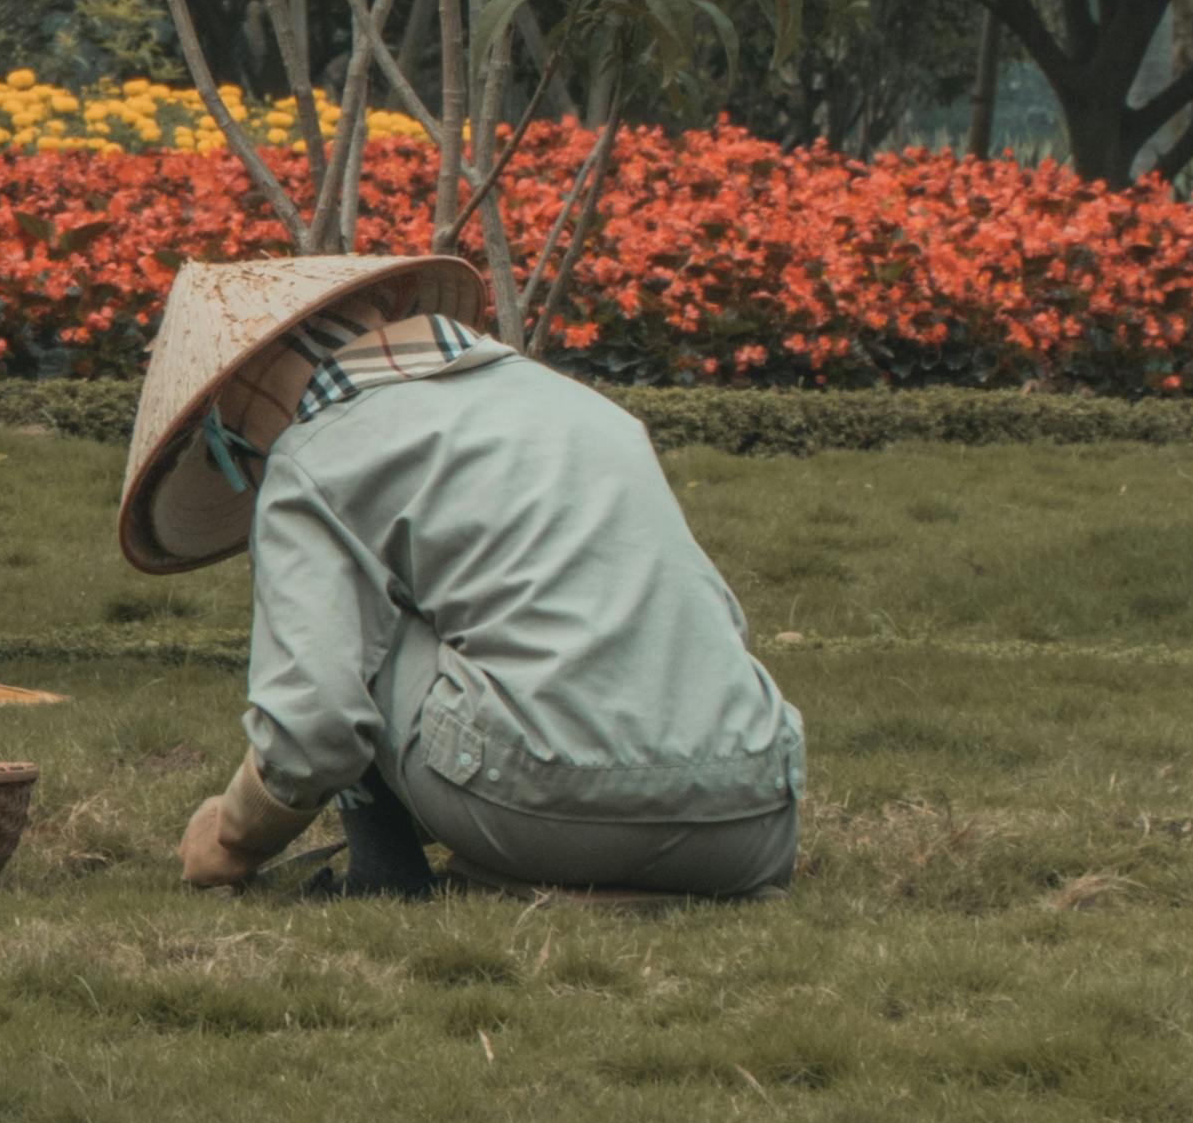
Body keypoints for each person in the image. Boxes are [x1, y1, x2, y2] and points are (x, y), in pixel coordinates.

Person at [116, 252, 802, 901]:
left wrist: (232, 838)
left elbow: (317, 722)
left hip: (551, 817)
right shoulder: (589, 409)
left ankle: (387, 875)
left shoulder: (314, 456)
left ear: (244, 392)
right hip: (755, 816)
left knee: (355, 631)